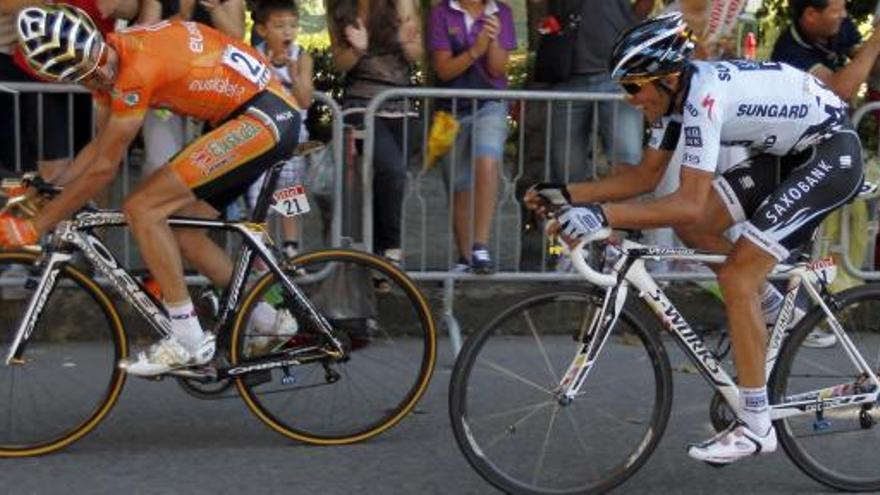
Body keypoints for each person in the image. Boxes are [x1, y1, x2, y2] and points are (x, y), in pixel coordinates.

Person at [527, 13, 862, 464]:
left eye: (632, 87)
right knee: (696, 227)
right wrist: (566, 195)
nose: (628, 100)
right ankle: (770, 303)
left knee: (736, 278)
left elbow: (684, 198)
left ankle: (757, 427)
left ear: (665, 79)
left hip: (829, 155)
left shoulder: (702, 97)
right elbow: (645, 177)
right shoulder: (675, 99)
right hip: (788, 154)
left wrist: (600, 215)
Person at [0, 5, 301, 376]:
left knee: (142, 208)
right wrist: (46, 192)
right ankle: (270, 321)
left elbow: (104, 170)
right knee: (185, 233)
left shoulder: (134, 69)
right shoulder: (111, 55)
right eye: (89, 78)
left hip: (260, 118)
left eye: (100, 67)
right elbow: (97, 150)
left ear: (96, 39)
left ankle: (188, 339)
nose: (102, 77)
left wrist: (38, 224)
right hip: (257, 115)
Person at [326, 0, 422, 270]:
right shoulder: (339, 7)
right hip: (361, 105)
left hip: (400, 106)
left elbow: (417, 54)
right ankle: (392, 249)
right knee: (392, 169)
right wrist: (358, 50)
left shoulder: (400, 3)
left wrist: (405, 40)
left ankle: (378, 258)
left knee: (388, 183)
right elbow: (340, 63)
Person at [427, 0, 515, 274]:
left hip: (490, 102)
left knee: (487, 160)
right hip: (450, 110)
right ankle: (465, 257)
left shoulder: (502, 12)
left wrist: (495, 39)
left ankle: (480, 245)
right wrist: (476, 49)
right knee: (459, 184)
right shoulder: (441, 13)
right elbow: (444, 70)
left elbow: (498, 69)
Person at [543, 0, 652, 183]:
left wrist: (630, 23)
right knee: (566, 168)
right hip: (567, 72)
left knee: (627, 159)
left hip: (618, 72)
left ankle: (623, 212)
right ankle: (574, 211)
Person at [245, 0, 313, 261]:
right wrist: (268, 69)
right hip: (261, 135)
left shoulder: (301, 57)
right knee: (259, 196)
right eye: (279, 25)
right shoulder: (254, 55)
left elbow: (305, 100)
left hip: (293, 134)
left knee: (290, 190)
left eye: (292, 25)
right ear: (262, 30)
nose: (288, 32)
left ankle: (292, 249)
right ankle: (261, 255)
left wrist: (294, 74)